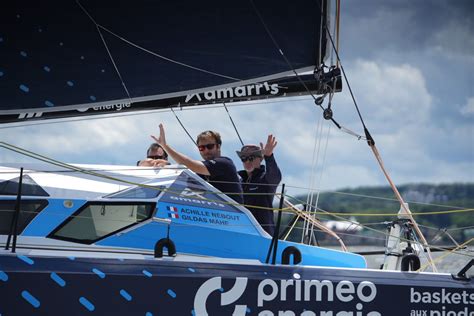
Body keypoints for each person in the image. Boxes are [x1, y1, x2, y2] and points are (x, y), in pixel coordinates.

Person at [151, 124, 243, 204]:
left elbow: (190, 164)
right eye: (202, 148)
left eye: (210, 146)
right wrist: (167, 166)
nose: (206, 150)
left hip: (234, 219)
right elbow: (185, 173)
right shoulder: (199, 173)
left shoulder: (225, 163)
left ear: (218, 146)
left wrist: (165, 146)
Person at [236, 135, 281, 235]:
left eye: (251, 158)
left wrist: (269, 157)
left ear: (260, 159)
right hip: (239, 232)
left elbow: (275, 177)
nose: (247, 161)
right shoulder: (237, 180)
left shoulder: (265, 179)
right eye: (244, 158)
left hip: (262, 234)